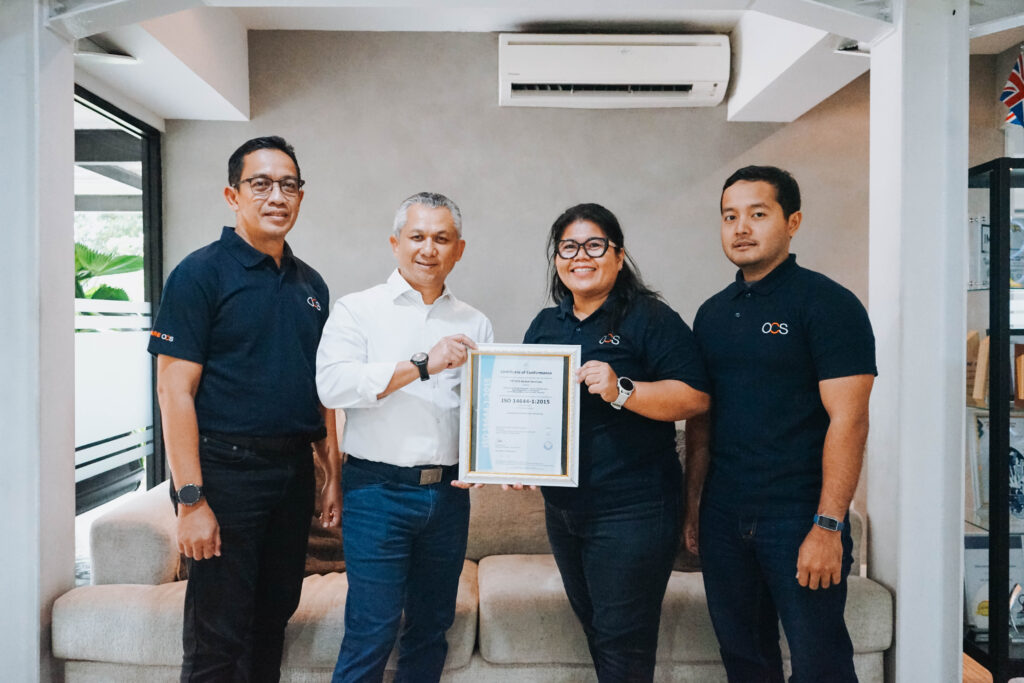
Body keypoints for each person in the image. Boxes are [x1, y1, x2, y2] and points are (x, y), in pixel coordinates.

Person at [148, 135, 342, 682]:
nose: (276, 195)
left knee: (272, 619)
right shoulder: (199, 274)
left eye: (288, 185)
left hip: (290, 474)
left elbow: (318, 386)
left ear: (301, 197)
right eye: (261, 184)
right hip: (225, 472)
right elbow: (174, 391)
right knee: (219, 632)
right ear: (233, 195)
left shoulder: (312, 285)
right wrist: (191, 500)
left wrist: (330, 473)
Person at [684, 165, 876, 682]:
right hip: (724, 517)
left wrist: (829, 526)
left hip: (798, 516)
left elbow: (850, 420)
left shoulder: (828, 304)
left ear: (792, 222)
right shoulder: (712, 313)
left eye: (757, 214)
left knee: (820, 664)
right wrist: (695, 505)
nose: (740, 227)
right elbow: (702, 421)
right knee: (745, 661)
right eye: (729, 216)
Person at [522, 203, 710, 682]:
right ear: (557, 257)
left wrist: (621, 389)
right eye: (568, 247)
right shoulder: (546, 325)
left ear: (618, 255)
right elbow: (527, 408)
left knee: (623, 640)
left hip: (633, 509)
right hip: (564, 510)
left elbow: (695, 397)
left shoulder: (650, 318)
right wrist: (516, 464)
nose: (580, 256)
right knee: (599, 631)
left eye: (594, 245)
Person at [315, 191, 493, 683]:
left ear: (459, 250)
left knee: (432, 628)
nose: (428, 249)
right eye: (417, 237)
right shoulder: (357, 310)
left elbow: (488, 407)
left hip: (448, 496)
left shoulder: (475, 322)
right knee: (371, 629)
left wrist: (495, 460)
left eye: (442, 239)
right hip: (377, 493)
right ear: (395, 243)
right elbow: (331, 386)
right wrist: (422, 364)